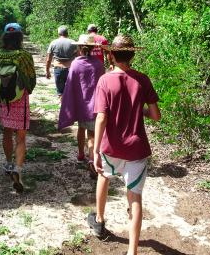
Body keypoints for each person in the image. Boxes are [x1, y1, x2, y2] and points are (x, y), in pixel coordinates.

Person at [87, 35, 161, 255]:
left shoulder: (105, 80)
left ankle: (99, 219)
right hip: (137, 148)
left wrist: (97, 150)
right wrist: (140, 110)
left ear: (111, 55)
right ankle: (132, 251)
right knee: (135, 197)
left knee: (104, 176)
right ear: (133, 55)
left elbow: (101, 118)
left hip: (112, 146)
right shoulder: (143, 79)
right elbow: (156, 115)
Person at [0, 23, 36, 193]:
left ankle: (9, 163)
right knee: (21, 136)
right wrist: (25, 90)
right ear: (20, 37)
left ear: (4, 37)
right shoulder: (24, 56)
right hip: (20, 100)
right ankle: (18, 169)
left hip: (3, 101)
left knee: (7, 132)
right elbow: (31, 80)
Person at [58, 34, 105, 176]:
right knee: (92, 133)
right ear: (92, 48)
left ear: (79, 47)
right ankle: (92, 159)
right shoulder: (98, 64)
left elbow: (70, 84)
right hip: (95, 105)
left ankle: (80, 154)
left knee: (81, 129)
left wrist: (67, 100)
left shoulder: (76, 63)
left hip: (81, 103)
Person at [45, 25, 76, 99]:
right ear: (67, 33)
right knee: (70, 91)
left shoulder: (53, 43)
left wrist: (47, 71)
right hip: (70, 69)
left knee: (60, 92)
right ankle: (69, 107)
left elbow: (48, 59)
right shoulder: (73, 43)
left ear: (58, 33)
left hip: (58, 69)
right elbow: (79, 57)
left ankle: (63, 107)